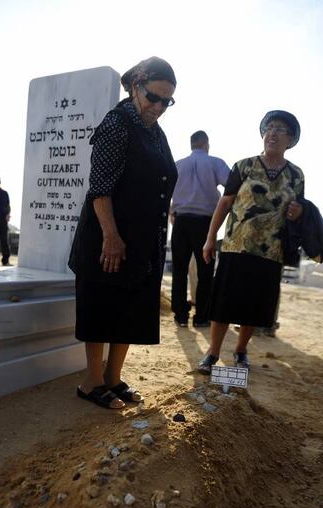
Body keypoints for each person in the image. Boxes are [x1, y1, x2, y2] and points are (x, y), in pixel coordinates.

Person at [69, 57, 178, 409]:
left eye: (167, 101)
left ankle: (113, 378)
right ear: (136, 87)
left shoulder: (155, 132)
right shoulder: (117, 124)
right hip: (109, 234)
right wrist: (111, 236)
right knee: (103, 304)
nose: (159, 107)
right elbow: (99, 188)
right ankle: (91, 381)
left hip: (143, 238)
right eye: (154, 97)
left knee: (129, 308)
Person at [198, 110, 304, 374]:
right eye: (269, 128)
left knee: (254, 306)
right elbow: (225, 203)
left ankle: (241, 350)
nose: (272, 133)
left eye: (280, 129)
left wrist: (298, 212)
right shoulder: (244, 166)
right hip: (236, 246)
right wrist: (210, 238)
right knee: (223, 303)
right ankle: (212, 353)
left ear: (290, 139)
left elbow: (298, 209)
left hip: (271, 251)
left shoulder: (296, 175)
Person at [170, 131, 229, 328]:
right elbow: (231, 187)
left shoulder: (178, 165)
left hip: (181, 222)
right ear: (206, 144)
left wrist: (172, 213)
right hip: (205, 224)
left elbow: (166, 192)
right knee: (205, 272)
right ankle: (202, 316)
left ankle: (180, 315)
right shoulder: (215, 163)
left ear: (191, 144)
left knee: (179, 271)